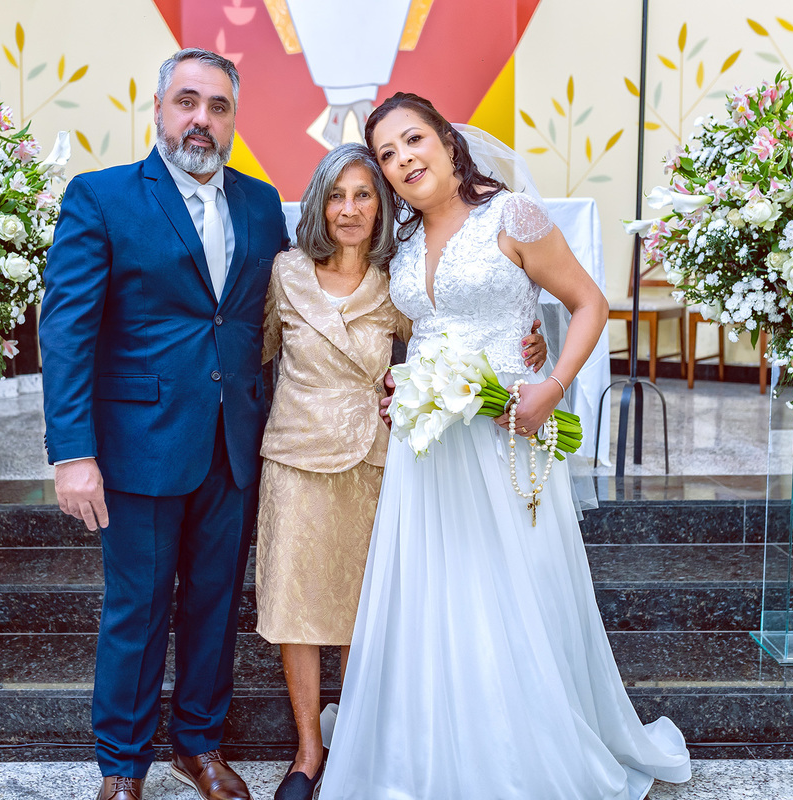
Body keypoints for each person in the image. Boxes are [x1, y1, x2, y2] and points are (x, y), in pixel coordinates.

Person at [318, 93, 692, 800]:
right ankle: (434, 744)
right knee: (438, 593)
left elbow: (589, 302)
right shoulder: (401, 241)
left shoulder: (510, 215)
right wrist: (402, 389)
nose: (404, 160)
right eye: (388, 154)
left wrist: (551, 384)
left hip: (506, 435)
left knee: (516, 587)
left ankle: (523, 749)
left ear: (447, 139)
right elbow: (417, 334)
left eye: (414, 140)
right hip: (429, 447)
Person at [255, 143, 547, 800]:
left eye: (364, 194)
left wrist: (529, 341)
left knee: (366, 606)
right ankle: (308, 752)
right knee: (295, 607)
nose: (350, 209)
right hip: (295, 455)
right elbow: (255, 350)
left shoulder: (396, 278)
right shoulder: (286, 272)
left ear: (382, 205)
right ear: (318, 203)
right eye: (337, 195)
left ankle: (357, 741)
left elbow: (458, 335)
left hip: (375, 457)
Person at [39, 49, 289, 800]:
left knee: (216, 603)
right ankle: (121, 765)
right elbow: (67, 332)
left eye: (217, 107)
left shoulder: (261, 204)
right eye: (187, 102)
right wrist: (72, 453)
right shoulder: (102, 197)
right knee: (138, 609)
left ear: (234, 120)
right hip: (138, 446)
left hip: (233, 443)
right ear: (157, 109)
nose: (200, 120)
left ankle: (199, 745)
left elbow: (285, 312)